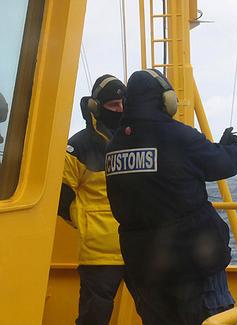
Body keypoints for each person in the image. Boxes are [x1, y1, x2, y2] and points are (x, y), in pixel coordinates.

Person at [104, 69, 237, 325]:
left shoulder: (115, 146)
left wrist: (219, 146)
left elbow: (167, 173)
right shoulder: (176, 135)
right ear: (166, 100)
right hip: (192, 262)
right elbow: (221, 165)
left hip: (143, 265)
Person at [57, 75, 127, 325]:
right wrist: (85, 223)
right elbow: (62, 196)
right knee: (94, 317)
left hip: (141, 244)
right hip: (100, 252)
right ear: (97, 107)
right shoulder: (79, 146)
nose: (119, 110)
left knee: (157, 310)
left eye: (123, 103)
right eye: (113, 105)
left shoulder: (136, 139)